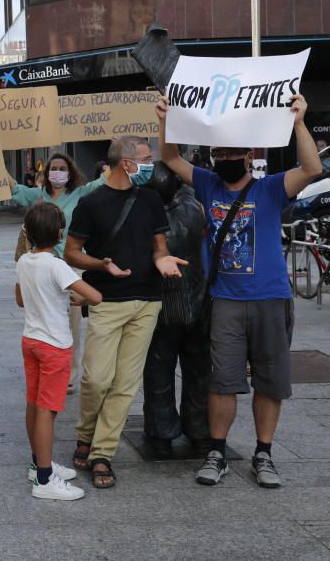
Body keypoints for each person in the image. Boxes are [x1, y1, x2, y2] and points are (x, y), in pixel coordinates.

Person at [157, 94, 322, 488]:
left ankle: (263, 454)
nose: (224, 158)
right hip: (227, 301)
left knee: (270, 381)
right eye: (218, 152)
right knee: (222, 381)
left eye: (231, 152)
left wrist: (299, 122)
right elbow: (171, 158)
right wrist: (166, 120)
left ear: (249, 155)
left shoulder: (270, 189)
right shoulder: (210, 183)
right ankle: (217, 451)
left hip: (270, 298)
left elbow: (312, 168)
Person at [64, 136, 187, 489]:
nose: (153, 165)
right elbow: (72, 253)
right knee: (96, 379)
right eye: (147, 158)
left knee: (125, 384)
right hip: (106, 301)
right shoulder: (92, 202)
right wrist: (100, 264)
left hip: (148, 301)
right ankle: (86, 434)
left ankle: (102, 453)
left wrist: (164, 261)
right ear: (127, 163)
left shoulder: (150, 199)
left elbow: (159, 247)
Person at [15, 203, 102, 500]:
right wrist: (76, 294)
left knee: (33, 402)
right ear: (61, 233)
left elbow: (21, 299)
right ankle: (44, 479)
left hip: (31, 341)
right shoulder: (56, 265)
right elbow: (96, 297)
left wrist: (62, 296)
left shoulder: (24, 261)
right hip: (55, 346)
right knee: (47, 410)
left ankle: (37, 462)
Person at [10, 152, 106, 394]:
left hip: (69, 265)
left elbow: (103, 182)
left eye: (62, 168)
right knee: (44, 316)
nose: (58, 173)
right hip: (42, 266)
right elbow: (14, 188)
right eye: (53, 168)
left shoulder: (80, 193)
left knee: (71, 322)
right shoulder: (38, 194)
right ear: (46, 172)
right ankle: (45, 363)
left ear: (70, 171)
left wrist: (115, 158)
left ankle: (69, 375)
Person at [141, 163, 210, 456]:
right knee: (198, 370)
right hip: (197, 300)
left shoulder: (148, 218)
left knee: (159, 368)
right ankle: (200, 430)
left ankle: (161, 432)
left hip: (163, 304)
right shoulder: (193, 207)